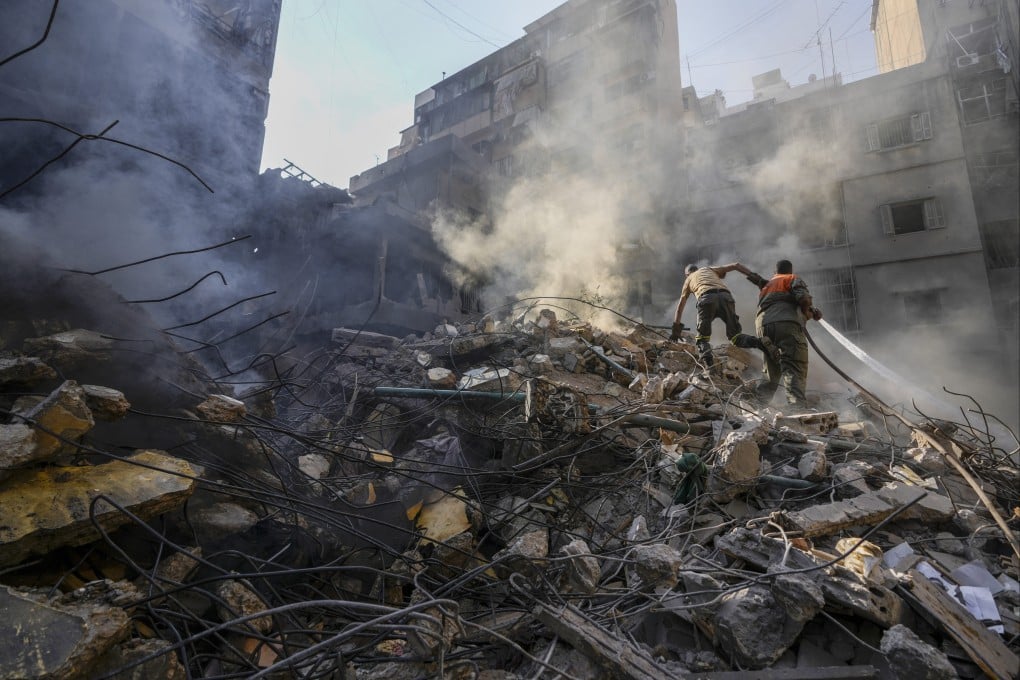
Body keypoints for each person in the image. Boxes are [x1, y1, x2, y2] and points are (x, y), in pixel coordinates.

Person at [743, 259, 823, 406]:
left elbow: (782, 302)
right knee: (794, 365)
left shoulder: (767, 285)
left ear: (775, 272)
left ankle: (759, 406)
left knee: (771, 369)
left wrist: (810, 313)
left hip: (763, 326)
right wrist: (807, 312)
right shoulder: (791, 278)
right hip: (786, 325)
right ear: (790, 271)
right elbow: (803, 299)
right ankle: (796, 408)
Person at [671, 262, 771, 366]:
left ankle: (709, 368)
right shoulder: (708, 269)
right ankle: (761, 343)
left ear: (687, 274)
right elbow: (736, 265)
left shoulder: (689, 279)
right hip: (726, 297)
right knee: (736, 337)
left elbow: (680, 307)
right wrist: (758, 279)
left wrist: (676, 330)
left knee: (702, 339)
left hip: (706, 300)